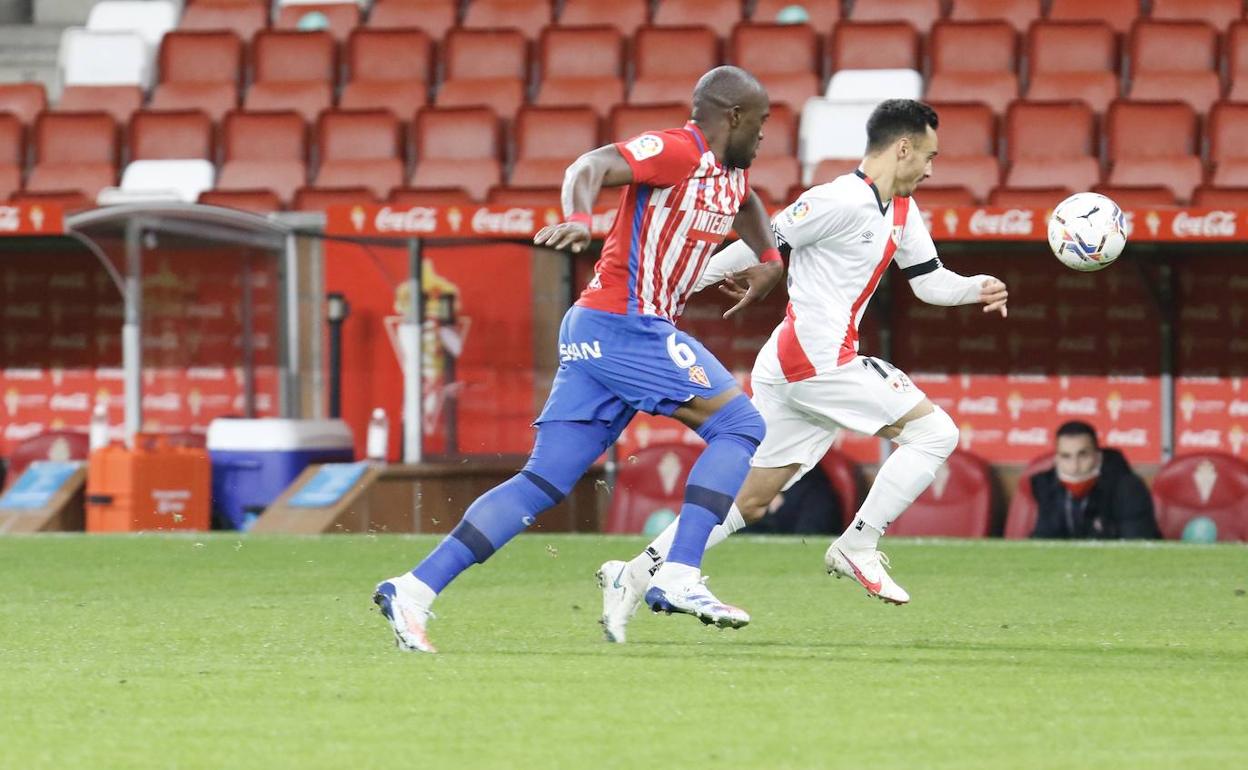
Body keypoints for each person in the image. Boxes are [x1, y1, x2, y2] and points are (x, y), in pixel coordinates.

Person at [372, 66, 785, 653]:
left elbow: (745, 203)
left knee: (542, 481)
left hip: (598, 332)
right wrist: (577, 218)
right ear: (734, 116)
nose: (765, 134)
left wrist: (769, 257)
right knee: (740, 426)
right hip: (627, 323)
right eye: (761, 121)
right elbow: (588, 166)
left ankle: (413, 589)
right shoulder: (677, 150)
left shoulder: (728, 175)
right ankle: (678, 573)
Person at [598, 99, 1011, 643]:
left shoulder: (902, 210)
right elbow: (759, 244)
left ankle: (632, 575)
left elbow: (929, 281)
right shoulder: (837, 200)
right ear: (903, 148)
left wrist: (975, 288)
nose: (932, 169)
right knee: (935, 433)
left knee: (749, 499)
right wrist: (676, 289)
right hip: (815, 362)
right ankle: (858, 544)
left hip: (796, 367)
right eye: (929, 156)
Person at [1030, 420, 1159, 539]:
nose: (1074, 466)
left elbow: (1137, 544)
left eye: (1083, 455)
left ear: (1098, 457)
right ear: (1056, 460)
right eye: (1066, 456)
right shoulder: (1045, 486)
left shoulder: (1129, 488)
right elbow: (1042, 539)